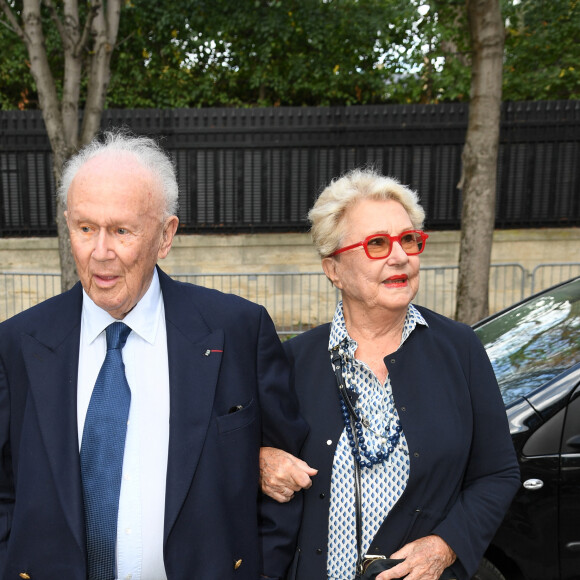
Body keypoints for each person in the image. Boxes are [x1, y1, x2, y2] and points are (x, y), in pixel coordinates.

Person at [0, 130, 307, 580]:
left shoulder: (239, 329)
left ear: (165, 236)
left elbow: (284, 480)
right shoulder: (17, 343)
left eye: (122, 230)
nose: (100, 253)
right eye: (85, 228)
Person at [259, 168, 520, 580]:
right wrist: (260, 459)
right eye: (377, 243)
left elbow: (497, 473)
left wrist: (446, 545)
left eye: (408, 240)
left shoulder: (460, 349)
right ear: (334, 269)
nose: (400, 256)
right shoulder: (292, 361)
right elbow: (233, 457)